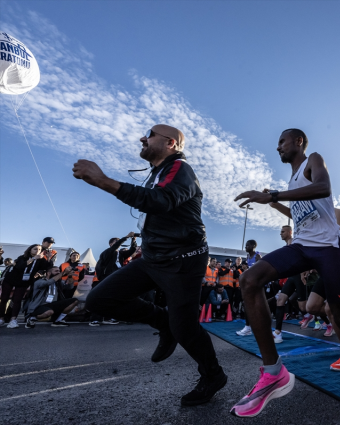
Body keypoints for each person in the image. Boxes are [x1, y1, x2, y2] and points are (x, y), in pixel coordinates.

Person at [233, 128, 340, 417]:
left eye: (282, 141)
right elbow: (298, 215)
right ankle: (273, 372)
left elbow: (323, 188)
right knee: (248, 279)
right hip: (304, 246)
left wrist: (274, 196)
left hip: (333, 251)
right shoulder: (292, 180)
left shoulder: (313, 161)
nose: (278, 146)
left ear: (298, 142)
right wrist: (271, 200)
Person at [73, 123, 227, 407]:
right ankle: (162, 322)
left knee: (185, 329)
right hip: (153, 258)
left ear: (170, 143)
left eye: (151, 134)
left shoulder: (181, 168)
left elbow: (160, 201)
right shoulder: (157, 172)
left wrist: (102, 180)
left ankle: (213, 375)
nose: (143, 138)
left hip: (183, 260)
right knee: (99, 299)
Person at [90, 234, 136, 326]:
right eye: (116, 242)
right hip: (107, 277)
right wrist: (126, 237)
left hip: (117, 277)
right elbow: (116, 246)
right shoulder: (108, 252)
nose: (119, 243)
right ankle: (95, 319)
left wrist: (133, 240)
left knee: (113, 298)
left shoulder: (120, 254)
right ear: (111, 244)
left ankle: (110, 317)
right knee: (101, 298)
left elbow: (132, 250)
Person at [0, 244, 50, 329]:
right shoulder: (22, 257)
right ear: (30, 250)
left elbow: (48, 267)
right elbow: (20, 266)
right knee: (4, 298)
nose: (37, 251)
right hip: (11, 279)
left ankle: (13, 319)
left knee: (17, 300)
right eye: (35, 249)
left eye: (39, 249)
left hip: (24, 281)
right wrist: (33, 259)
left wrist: (48, 258)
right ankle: (1, 318)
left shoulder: (40, 260)